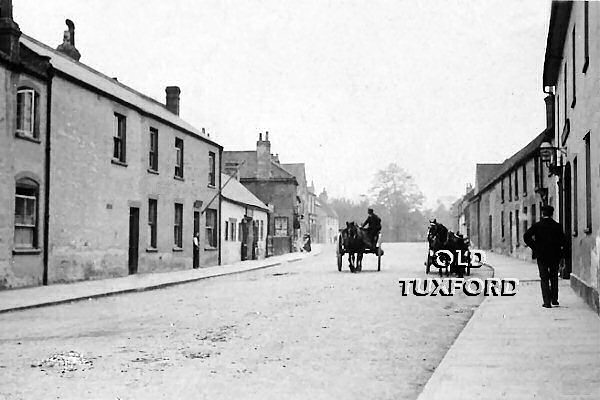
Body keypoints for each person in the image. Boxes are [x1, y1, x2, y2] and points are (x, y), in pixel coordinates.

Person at [523, 205, 566, 308]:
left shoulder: (537, 225)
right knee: (554, 276)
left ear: (542, 214)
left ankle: (547, 302)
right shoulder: (558, 226)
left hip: (541, 255)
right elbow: (563, 241)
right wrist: (561, 252)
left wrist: (535, 247)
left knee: (544, 277)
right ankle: (554, 299)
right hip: (555, 255)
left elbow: (526, 236)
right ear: (552, 214)